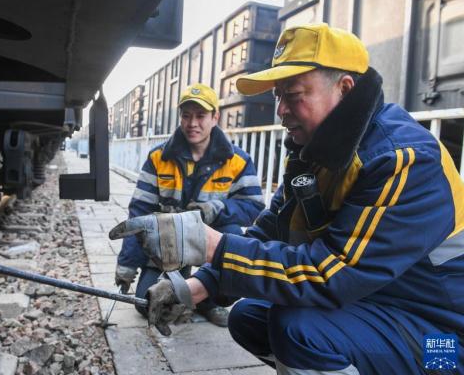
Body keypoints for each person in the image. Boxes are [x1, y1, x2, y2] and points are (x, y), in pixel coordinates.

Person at [110, 23, 464, 374]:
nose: (280, 109)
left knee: (298, 331)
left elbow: (328, 276)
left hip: (443, 343)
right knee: (250, 317)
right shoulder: (317, 155)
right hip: (383, 306)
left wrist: (209, 244)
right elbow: (270, 230)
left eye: (292, 95)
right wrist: (198, 286)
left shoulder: (401, 159)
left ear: (344, 88)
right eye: (278, 96)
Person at [115, 83, 265, 327]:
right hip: (168, 245)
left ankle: (208, 301)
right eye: (186, 115)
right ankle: (181, 287)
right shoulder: (158, 158)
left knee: (234, 234)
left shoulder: (237, 161)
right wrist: (127, 263)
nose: (192, 123)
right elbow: (139, 212)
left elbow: (253, 206)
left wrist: (217, 208)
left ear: (215, 117)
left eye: (200, 115)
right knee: (145, 301)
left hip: (210, 242)